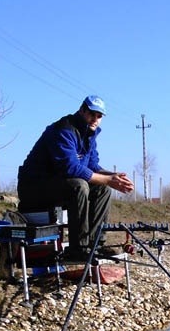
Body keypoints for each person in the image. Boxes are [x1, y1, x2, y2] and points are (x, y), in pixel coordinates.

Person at [17, 96, 134, 261]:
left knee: (103, 189)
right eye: (92, 114)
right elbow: (70, 168)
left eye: (99, 116)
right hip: (34, 188)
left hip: (59, 185)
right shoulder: (64, 130)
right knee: (79, 185)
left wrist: (114, 177)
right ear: (82, 110)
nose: (95, 119)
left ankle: (95, 245)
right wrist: (108, 179)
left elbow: (93, 166)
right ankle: (78, 249)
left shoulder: (89, 136)